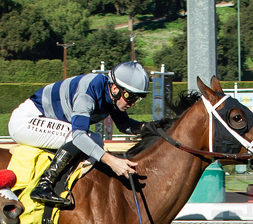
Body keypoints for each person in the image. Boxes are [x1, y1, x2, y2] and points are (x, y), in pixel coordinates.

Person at [8, 61, 150, 207]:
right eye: (130, 97)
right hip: (26, 121)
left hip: (42, 121)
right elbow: (78, 137)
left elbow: (124, 125)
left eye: (136, 98)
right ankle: (44, 185)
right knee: (87, 139)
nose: (132, 103)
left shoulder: (113, 97)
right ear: (115, 88)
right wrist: (112, 161)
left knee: (94, 139)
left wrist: (154, 127)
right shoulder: (89, 92)